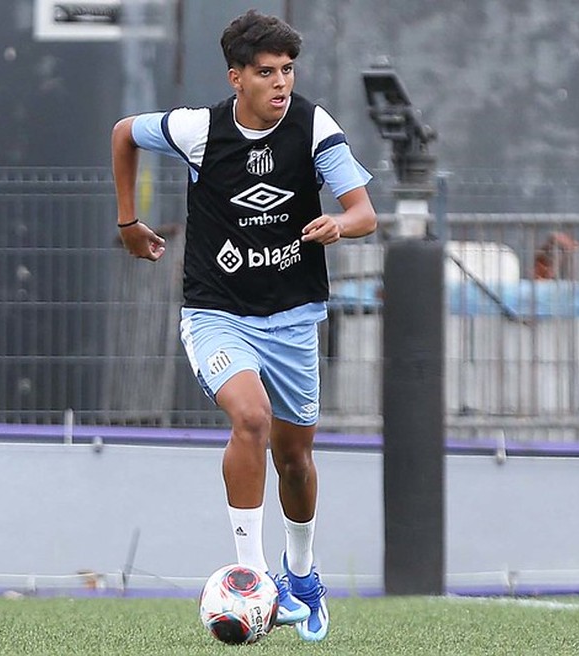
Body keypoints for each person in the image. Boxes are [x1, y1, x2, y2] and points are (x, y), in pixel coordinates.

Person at [111, 9, 376, 642]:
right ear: (237, 78)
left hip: (293, 319)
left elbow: (364, 212)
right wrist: (128, 222)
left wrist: (339, 225)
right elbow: (124, 133)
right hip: (217, 314)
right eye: (266, 72)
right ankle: (254, 577)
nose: (281, 83)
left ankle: (302, 576)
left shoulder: (313, 127)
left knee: (296, 460)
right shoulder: (199, 129)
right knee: (251, 419)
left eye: (288, 70)